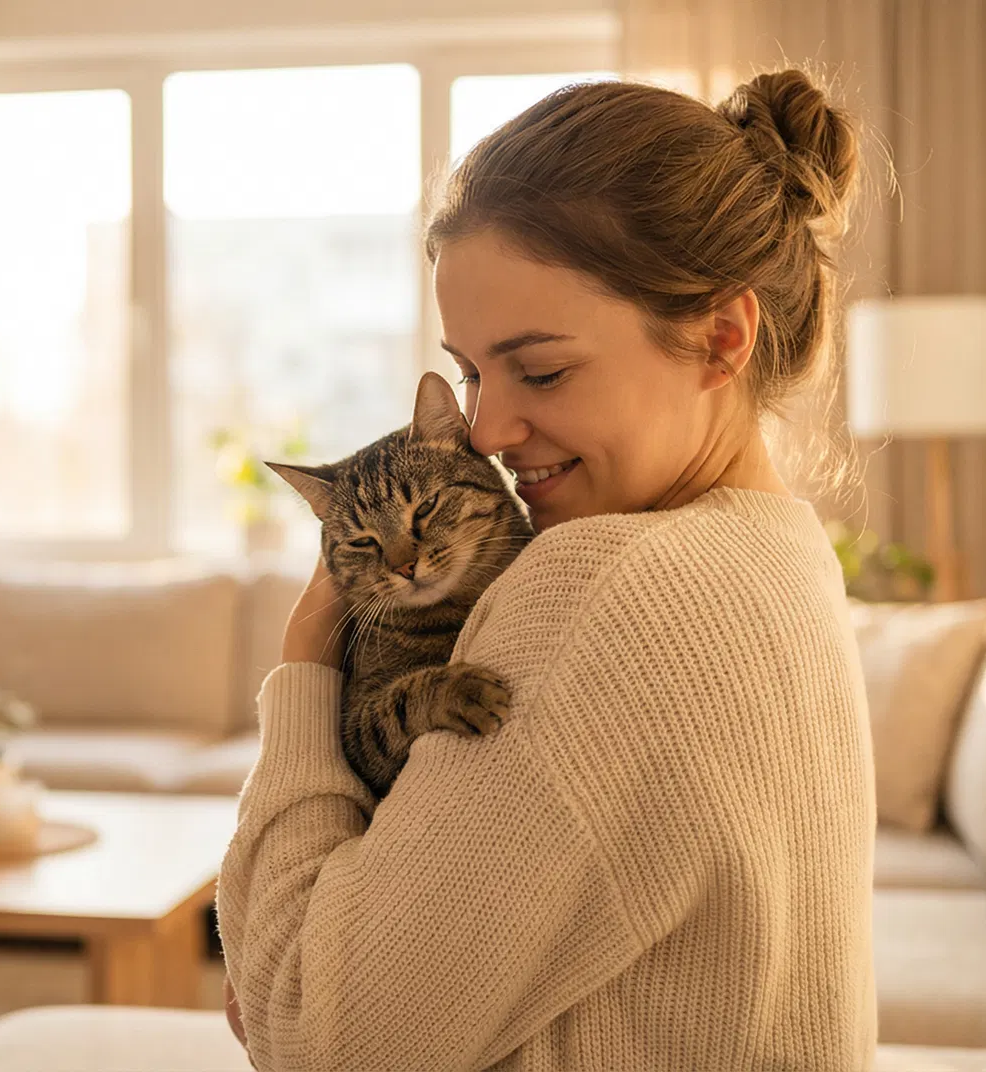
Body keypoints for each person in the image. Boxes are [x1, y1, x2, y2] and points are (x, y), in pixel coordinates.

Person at [216, 68, 876, 1071]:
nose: (485, 429)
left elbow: (316, 1035)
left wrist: (307, 666)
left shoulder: (605, 587)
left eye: (543, 368)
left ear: (722, 336)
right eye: (474, 371)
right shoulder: (786, 555)